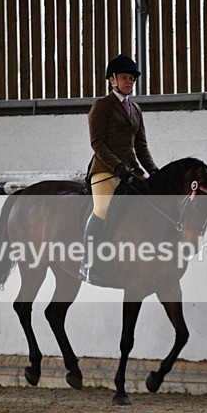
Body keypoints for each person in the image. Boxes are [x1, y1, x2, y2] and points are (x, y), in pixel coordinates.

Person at [79, 54, 159, 283]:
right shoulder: (102, 106)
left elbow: (141, 146)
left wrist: (153, 171)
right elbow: (97, 143)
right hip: (105, 169)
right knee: (102, 209)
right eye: (125, 78)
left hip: (130, 169)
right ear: (112, 79)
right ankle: (88, 262)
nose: (129, 82)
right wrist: (117, 166)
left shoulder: (135, 109)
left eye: (132, 79)